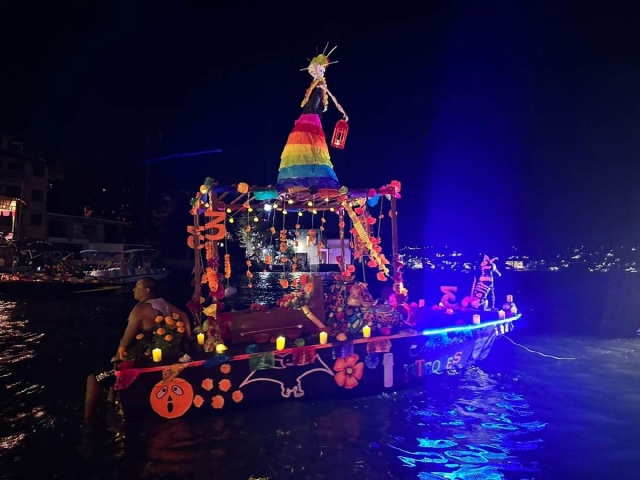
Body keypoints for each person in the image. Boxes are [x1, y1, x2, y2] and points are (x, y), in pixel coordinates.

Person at [83, 277, 191, 422]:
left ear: (146, 291)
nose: (134, 289)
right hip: (163, 355)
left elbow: (125, 342)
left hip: (142, 359)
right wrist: (189, 338)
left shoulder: (140, 309)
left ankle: (88, 420)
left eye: (137, 287)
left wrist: (117, 359)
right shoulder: (164, 304)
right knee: (114, 370)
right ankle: (111, 401)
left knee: (93, 379)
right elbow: (184, 316)